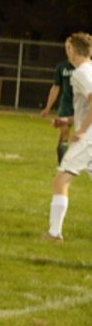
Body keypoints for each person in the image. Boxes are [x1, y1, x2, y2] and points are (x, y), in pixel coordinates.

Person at [43, 32, 92, 242]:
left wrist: (81, 130)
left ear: (72, 50)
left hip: (88, 138)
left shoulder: (80, 73)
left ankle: (54, 233)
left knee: (61, 180)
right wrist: (68, 120)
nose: (67, 53)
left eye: (67, 49)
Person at [40, 42, 74, 163]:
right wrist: (48, 107)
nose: (69, 50)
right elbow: (56, 87)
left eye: (71, 48)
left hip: (83, 104)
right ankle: (62, 164)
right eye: (67, 48)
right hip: (66, 104)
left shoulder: (87, 66)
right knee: (64, 132)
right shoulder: (62, 67)